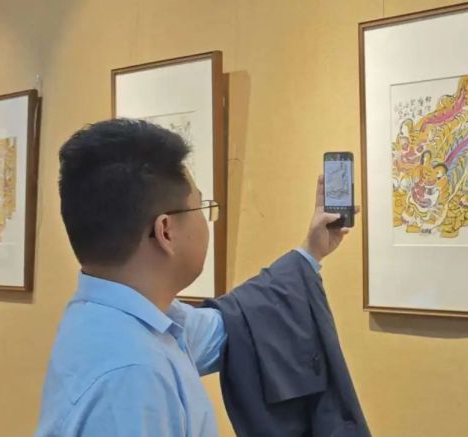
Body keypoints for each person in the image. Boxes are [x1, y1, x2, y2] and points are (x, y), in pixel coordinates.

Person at [35, 119, 353, 436]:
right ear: (166, 231)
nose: (205, 220)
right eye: (200, 206)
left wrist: (310, 252)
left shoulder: (115, 318)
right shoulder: (132, 377)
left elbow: (239, 324)